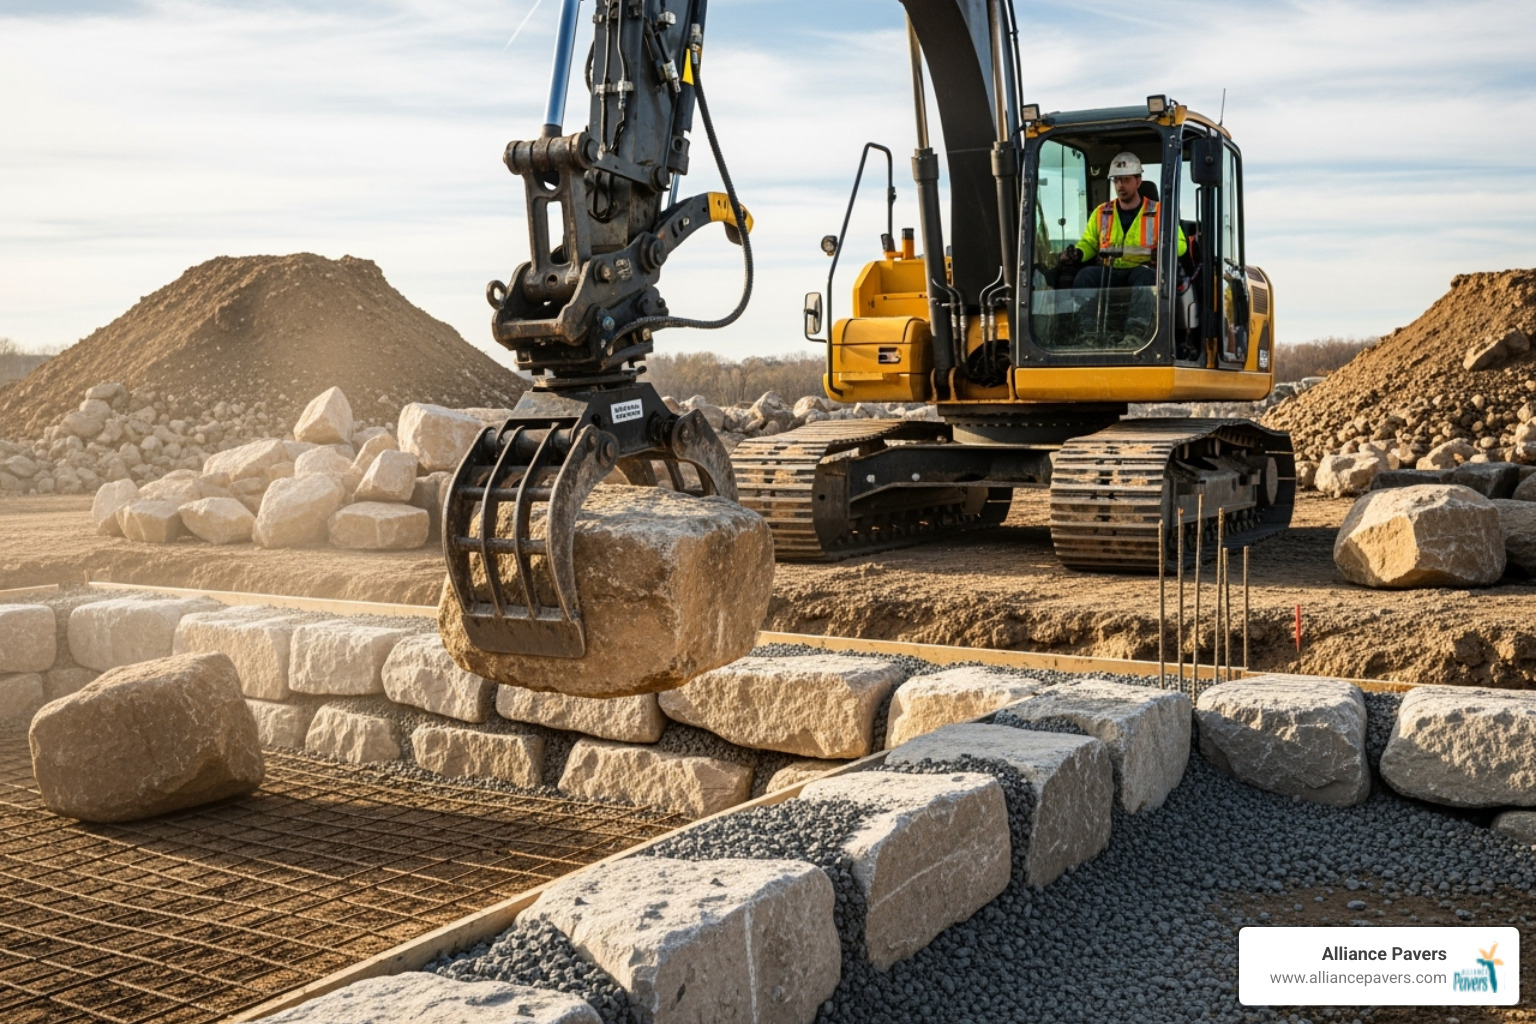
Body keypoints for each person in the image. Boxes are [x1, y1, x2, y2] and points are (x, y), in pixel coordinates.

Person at [1058, 151, 1186, 342]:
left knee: (1145, 278)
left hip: (1143, 269)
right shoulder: (1102, 212)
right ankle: (1088, 333)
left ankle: (1136, 334)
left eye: (1125, 180)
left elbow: (1180, 244)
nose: (1120, 186)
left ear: (1138, 181)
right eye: (1116, 181)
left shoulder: (1160, 212)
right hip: (1110, 271)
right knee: (1086, 276)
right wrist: (1078, 253)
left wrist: (1162, 250)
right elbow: (1090, 242)